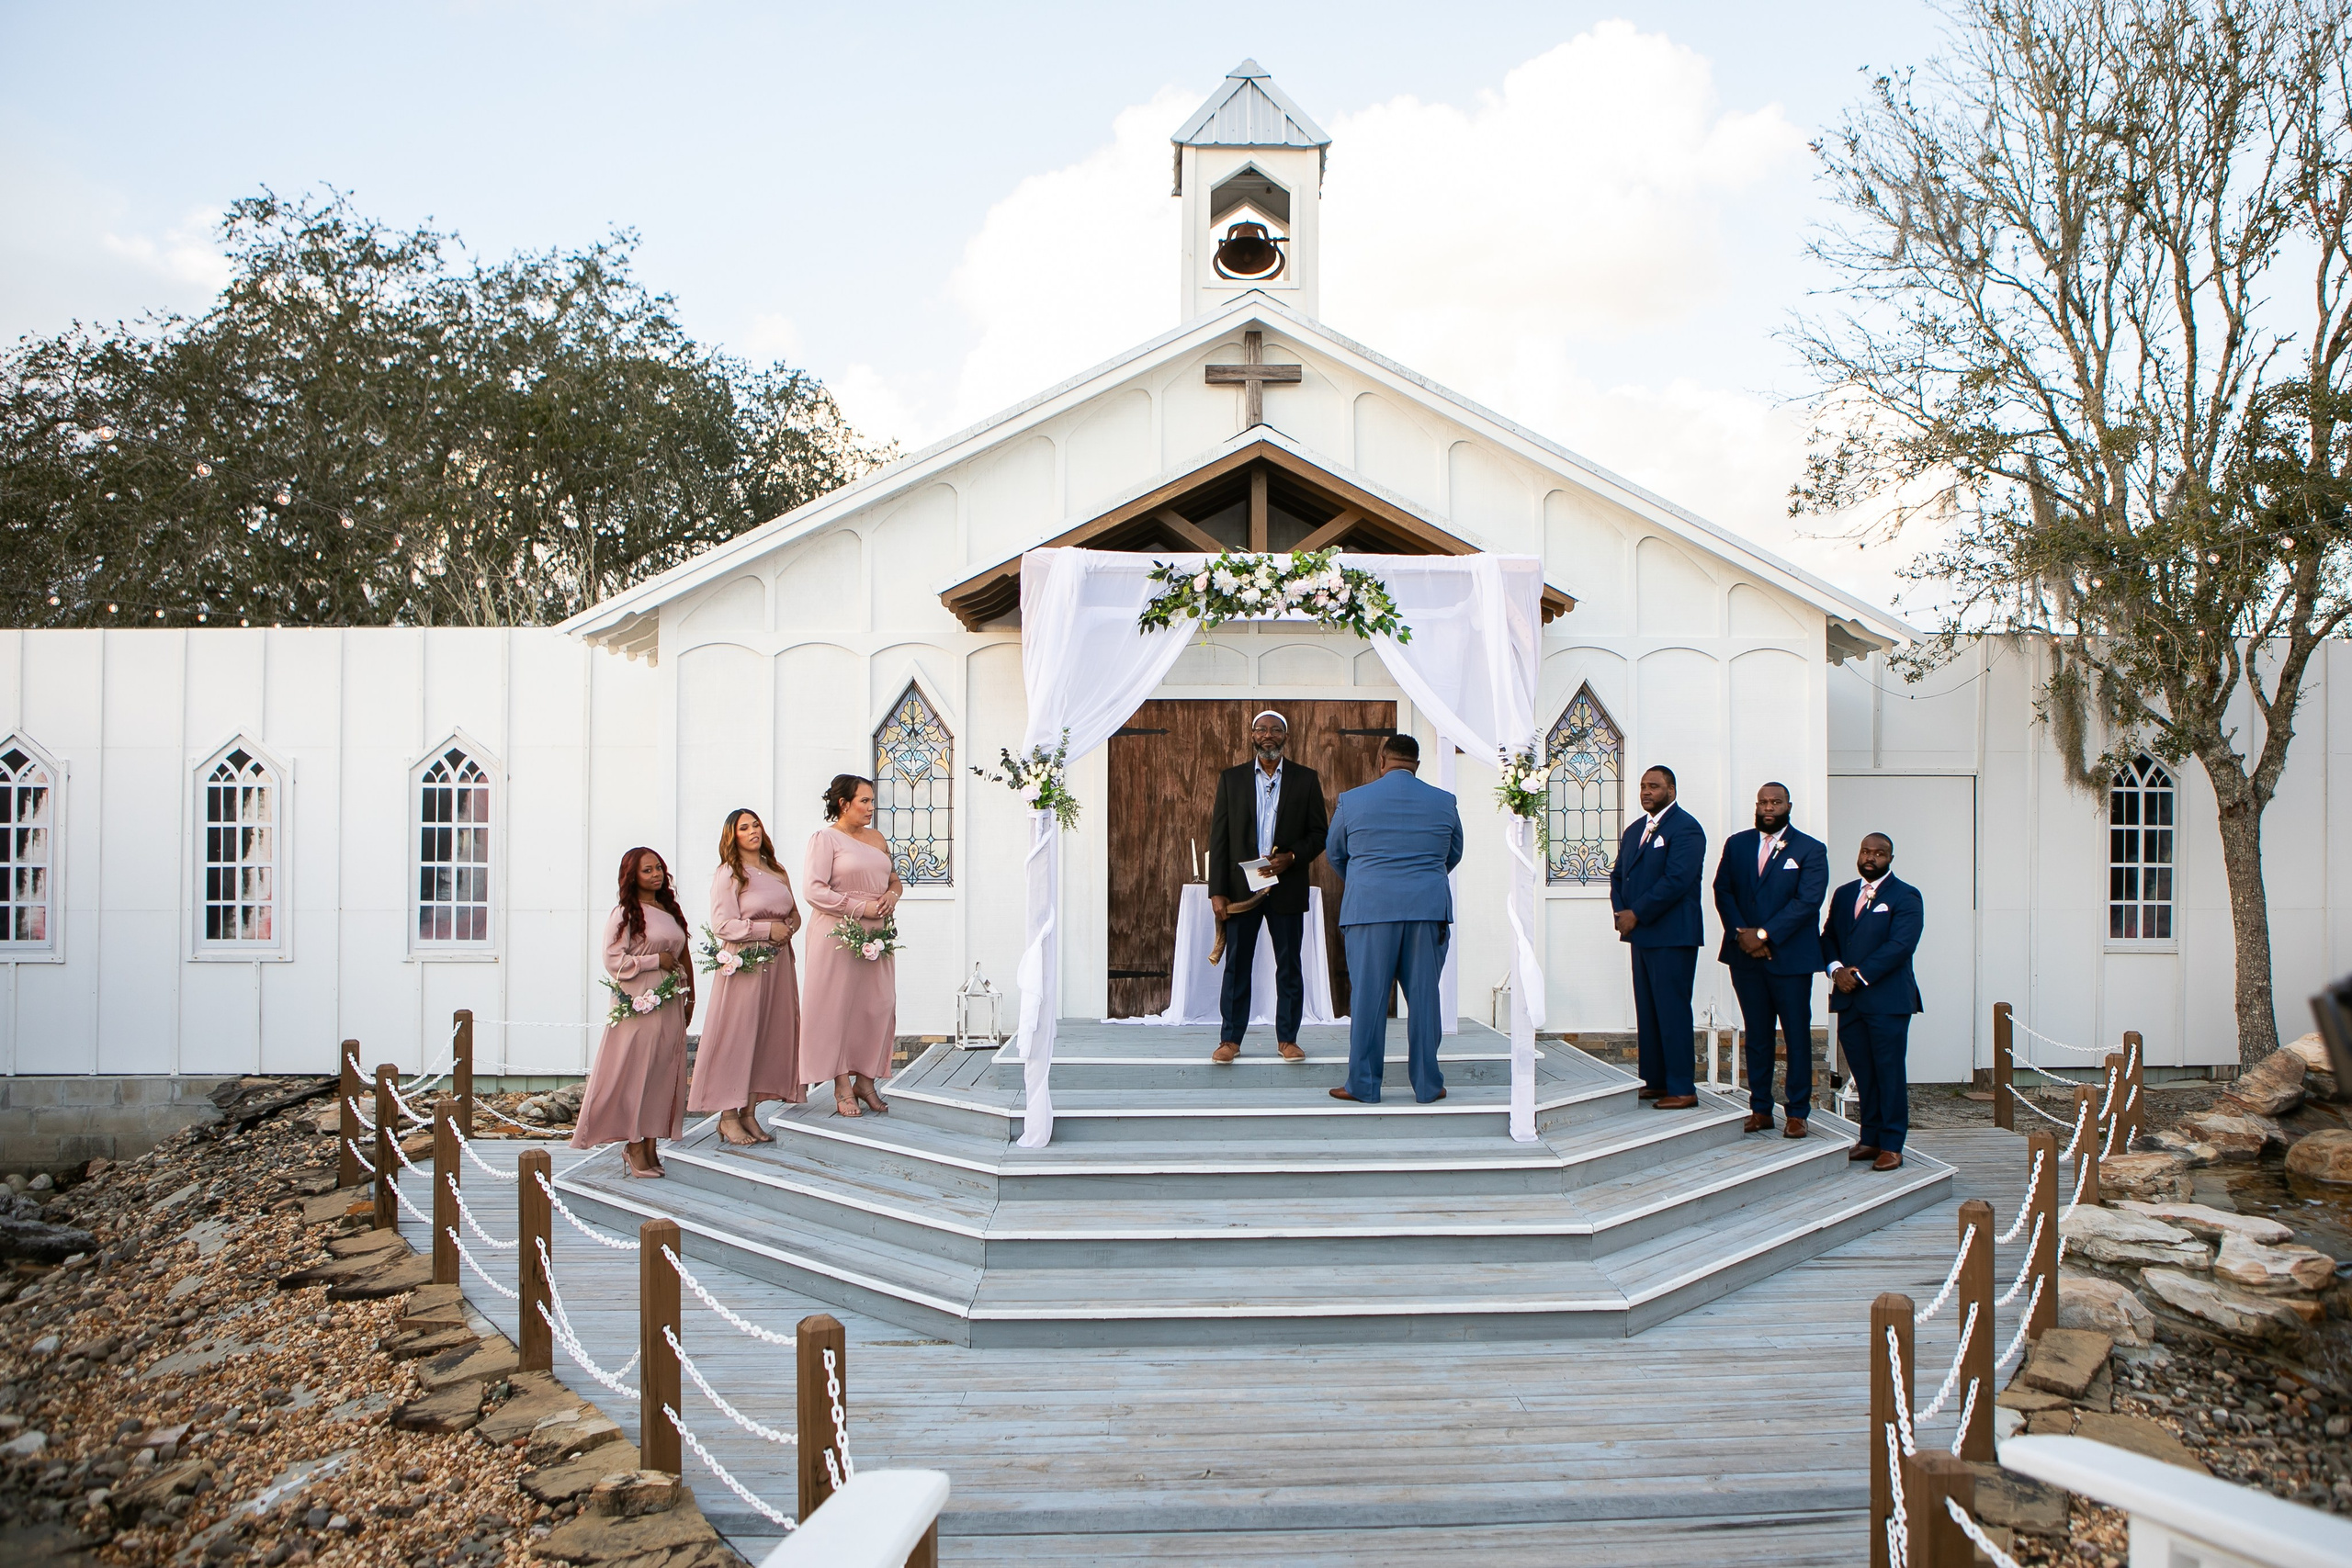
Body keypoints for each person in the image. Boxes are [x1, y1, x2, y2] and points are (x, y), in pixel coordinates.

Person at [1324, 733, 1464, 1105]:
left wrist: (1366, 880)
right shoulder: (1444, 802)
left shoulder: (1351, 801)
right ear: (1416, 765)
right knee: (1423, 998)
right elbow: (1453, 853)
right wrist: (1423, 879)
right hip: (1426, 909)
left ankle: (1364, 1086)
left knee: (1369, 998)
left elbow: (1335, 853)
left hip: (1369, 911)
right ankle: (1428, 1086)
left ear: (1381, 760)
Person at [1205, 710, 1329, 1064]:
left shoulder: (1306, 780)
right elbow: (1220, 836)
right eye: (1262, 730)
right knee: (1237, 964)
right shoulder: (1231, 779)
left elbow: (1319, 834)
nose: (1268, 735)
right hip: (1241, 889)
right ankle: (1230, 1040)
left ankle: (1287, 1039)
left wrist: (1292, 857)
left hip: (1286, 887)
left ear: (1285, 737)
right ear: (1252, 735)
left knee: (1289, 965)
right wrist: (1217, 890)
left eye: (1276, 730)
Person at [1711, 782, 1829, 1137]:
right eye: (1762, 801)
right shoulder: (1738, 844)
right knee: (1757, 1036)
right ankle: (1760, 1108)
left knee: (1795, 1036)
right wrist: (1743, 935)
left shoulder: (1810, 849)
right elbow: (1723, 890)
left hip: (1790, 959)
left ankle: (1797, 1112)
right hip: (1744, 957)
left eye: (1775, 802)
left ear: (1788, 805)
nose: (1768, 807)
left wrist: (1763, 935)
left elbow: (1807, 903)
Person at [571, 847, 695, 1178]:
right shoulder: (624, 913)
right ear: (632, 876)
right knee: (635, 1071)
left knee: (662, 1072)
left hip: (669, 1003)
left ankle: (652, 1145)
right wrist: (654, 961)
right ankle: (633, 1145)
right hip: (639, 1002)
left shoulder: (669, 911)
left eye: (659, 869)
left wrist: (690, 999)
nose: (656, 875)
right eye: (647, 870)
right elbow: (614, 960)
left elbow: (683, 957)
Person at [690, 808, 804, 1146]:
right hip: (746, 963)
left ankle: (750, 1113)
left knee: (768, 1035)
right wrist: (768, 928)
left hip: (779, 963)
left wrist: (789, 928)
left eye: (756, 825)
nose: (753, 831)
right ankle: (727, 1117)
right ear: (732, 836)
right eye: (744, 827)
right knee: (738, 1037)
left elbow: (793, 912)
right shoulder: (729, 873)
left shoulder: (776, 869)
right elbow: (724, 925)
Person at [1822, 832, 1924, 1170]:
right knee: (1863, 1073)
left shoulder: (1906, 896)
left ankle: (1892, 1145)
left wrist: (1859, 975)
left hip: (1887, 1001)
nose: (1871, 857)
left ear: (1890, 858)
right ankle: (1870, 1138)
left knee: (1889, 1073)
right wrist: (1836, 970)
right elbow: (1829, 937)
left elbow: (1900, 945)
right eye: (1866, 851)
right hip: (1849, 1001)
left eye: (1879, 853)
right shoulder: (1844, 893)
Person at [802, 775, 901, 1117]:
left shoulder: (877, 839)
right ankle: (841, 1084)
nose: (871, 808)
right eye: (864, 801)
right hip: (837, 933)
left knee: (877, 1004)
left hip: (876, 933)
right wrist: (859, 908)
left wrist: (891, 895)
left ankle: (866, 1080)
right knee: (837, 1007)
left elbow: (893, 878)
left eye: (873, 801)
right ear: (843, 804)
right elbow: (814, 890)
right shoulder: (825, 840)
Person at [1610, 764, 1706, 1110]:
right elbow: (1619, 874)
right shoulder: (1636, 829)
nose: (1646, 792)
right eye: (1643, 786)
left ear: (1671, 790)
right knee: (1648, 1010)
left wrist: (1638, 913)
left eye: (1654, 786)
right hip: (1641, 934)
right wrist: (1621, 912)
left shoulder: (1687, 829)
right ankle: (1655, 1080)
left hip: (1673, 934)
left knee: (1672, 1010)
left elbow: (1677, 881)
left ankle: (1682, 1087)